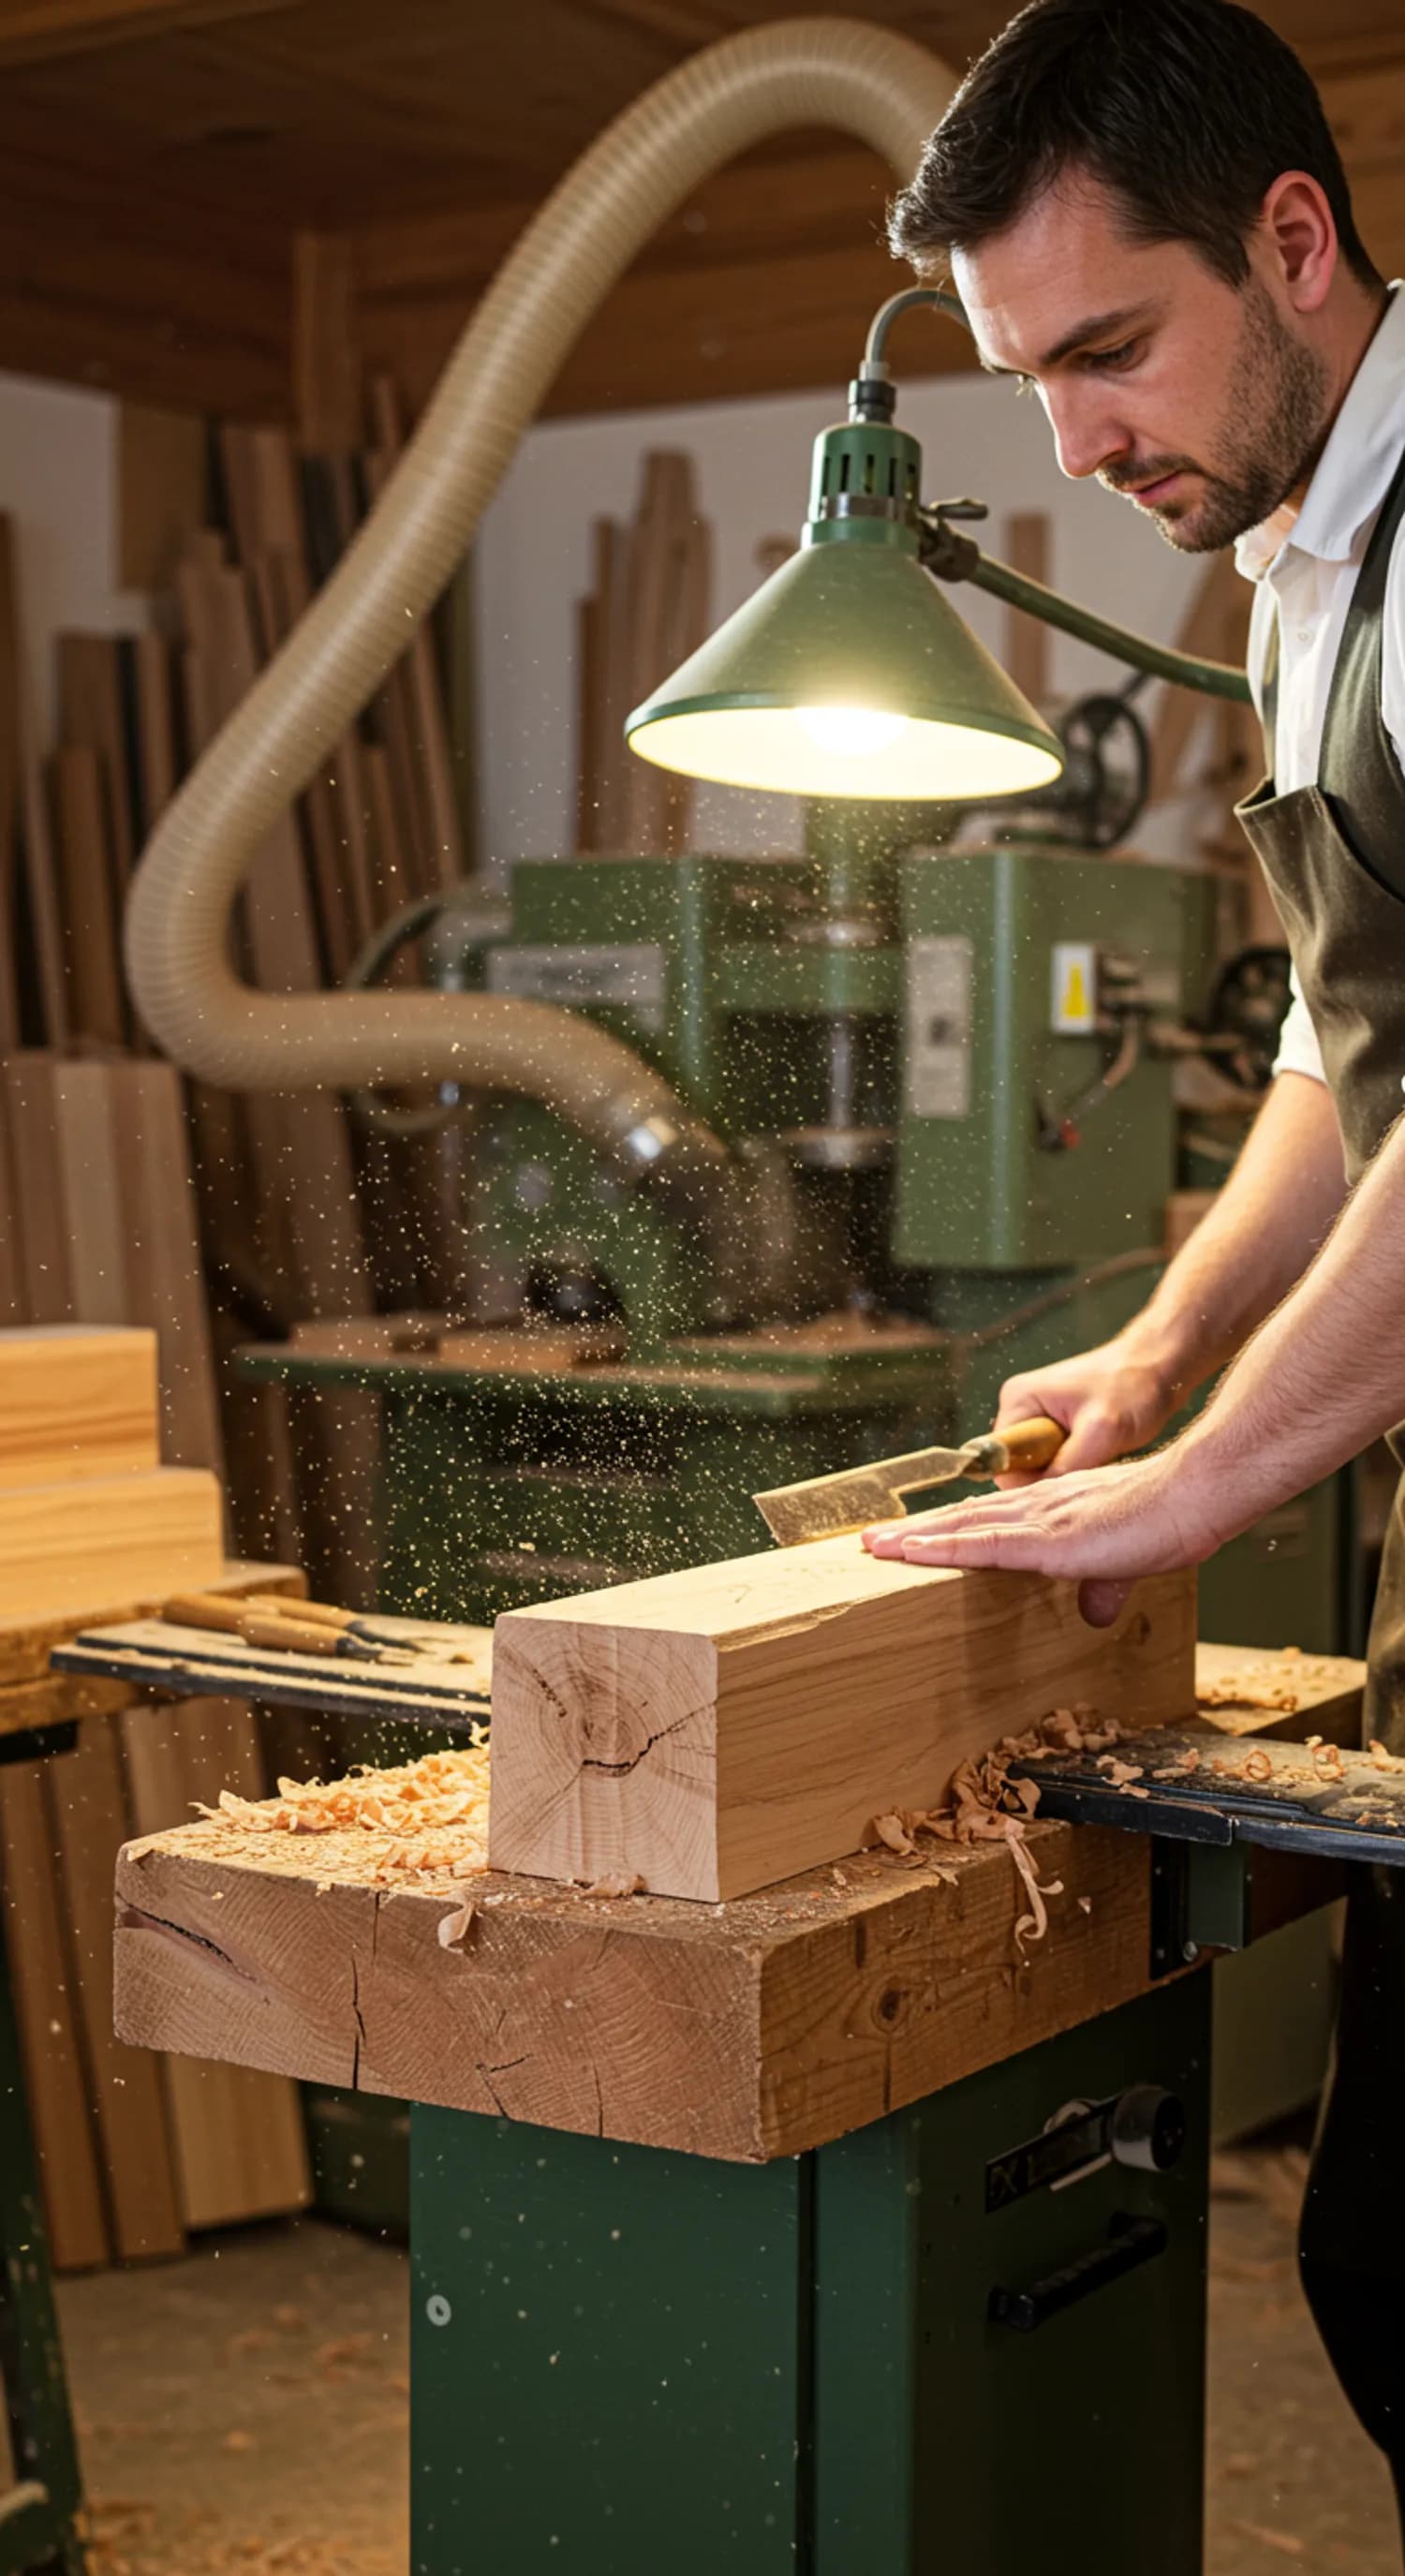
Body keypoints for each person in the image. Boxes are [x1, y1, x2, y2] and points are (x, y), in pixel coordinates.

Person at [866, 0, 1405, 2508]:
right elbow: (1345, 1047)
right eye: (1019, 383)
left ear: (1290, 241)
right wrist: (1162, 1354)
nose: (1072, 448)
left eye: (1106, 349)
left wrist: (1199, 1496)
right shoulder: (1305, 569)